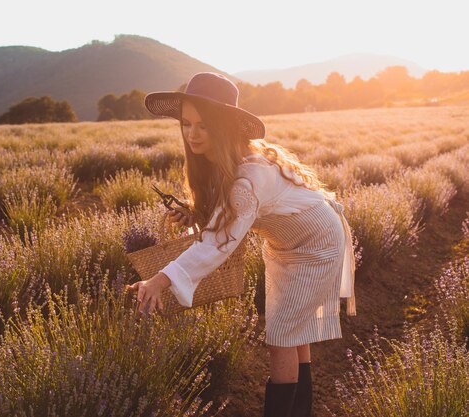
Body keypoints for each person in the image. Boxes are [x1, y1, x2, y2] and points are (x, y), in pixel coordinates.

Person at [126, 72, 356, 417]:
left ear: (225, 128)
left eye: (204, 126)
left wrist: (162, 278)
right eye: (187, 124)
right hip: (285, 245)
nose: (193, 133)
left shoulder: (248, 178)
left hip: (316, 246)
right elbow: (226, 214)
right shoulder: (232, 163)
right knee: (293, 328)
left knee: (280, 337)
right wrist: (195, 211)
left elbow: (219, 241)